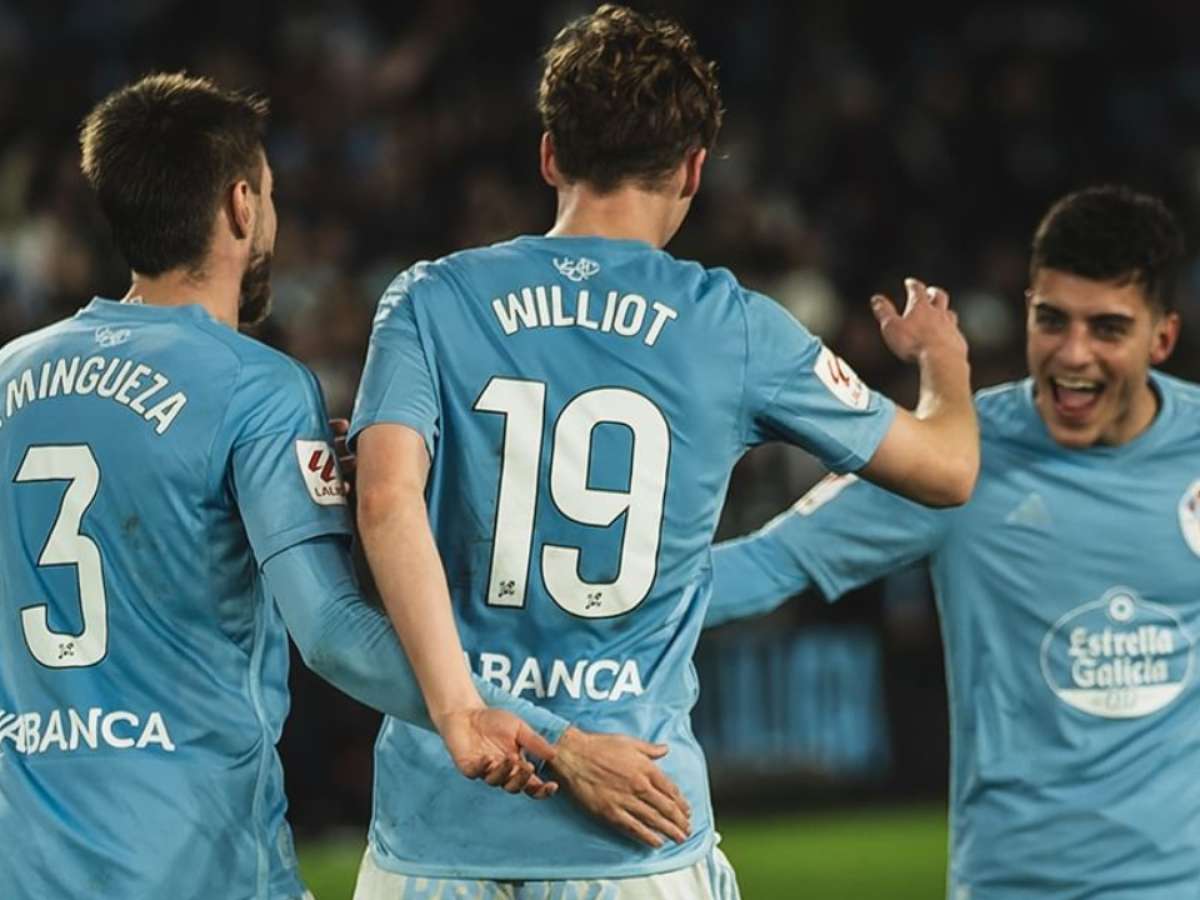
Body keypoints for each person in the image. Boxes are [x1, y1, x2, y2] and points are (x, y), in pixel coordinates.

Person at [348, 5, 978, 898]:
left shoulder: (430, 300)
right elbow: (948, 471)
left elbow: (385, 503)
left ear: (550, 156)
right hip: (635, 831)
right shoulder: (737, 328)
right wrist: (944, 363)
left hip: (439, 822)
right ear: (693, 169)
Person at [0, 71, 656, 900]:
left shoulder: (10, 375)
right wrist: (504, 722)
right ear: (242, 205)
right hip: (194, 864)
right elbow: (332, 633)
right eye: (271, 195)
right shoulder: (255, 387)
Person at [708, 185, 1197, 899]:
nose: (1073, 354)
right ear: (1026, 309)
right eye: (1052, 320)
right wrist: (578, 604)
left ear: (1163, 338)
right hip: (1017, 886)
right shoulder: (958, 458)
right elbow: (770, 560)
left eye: (1108, 329)